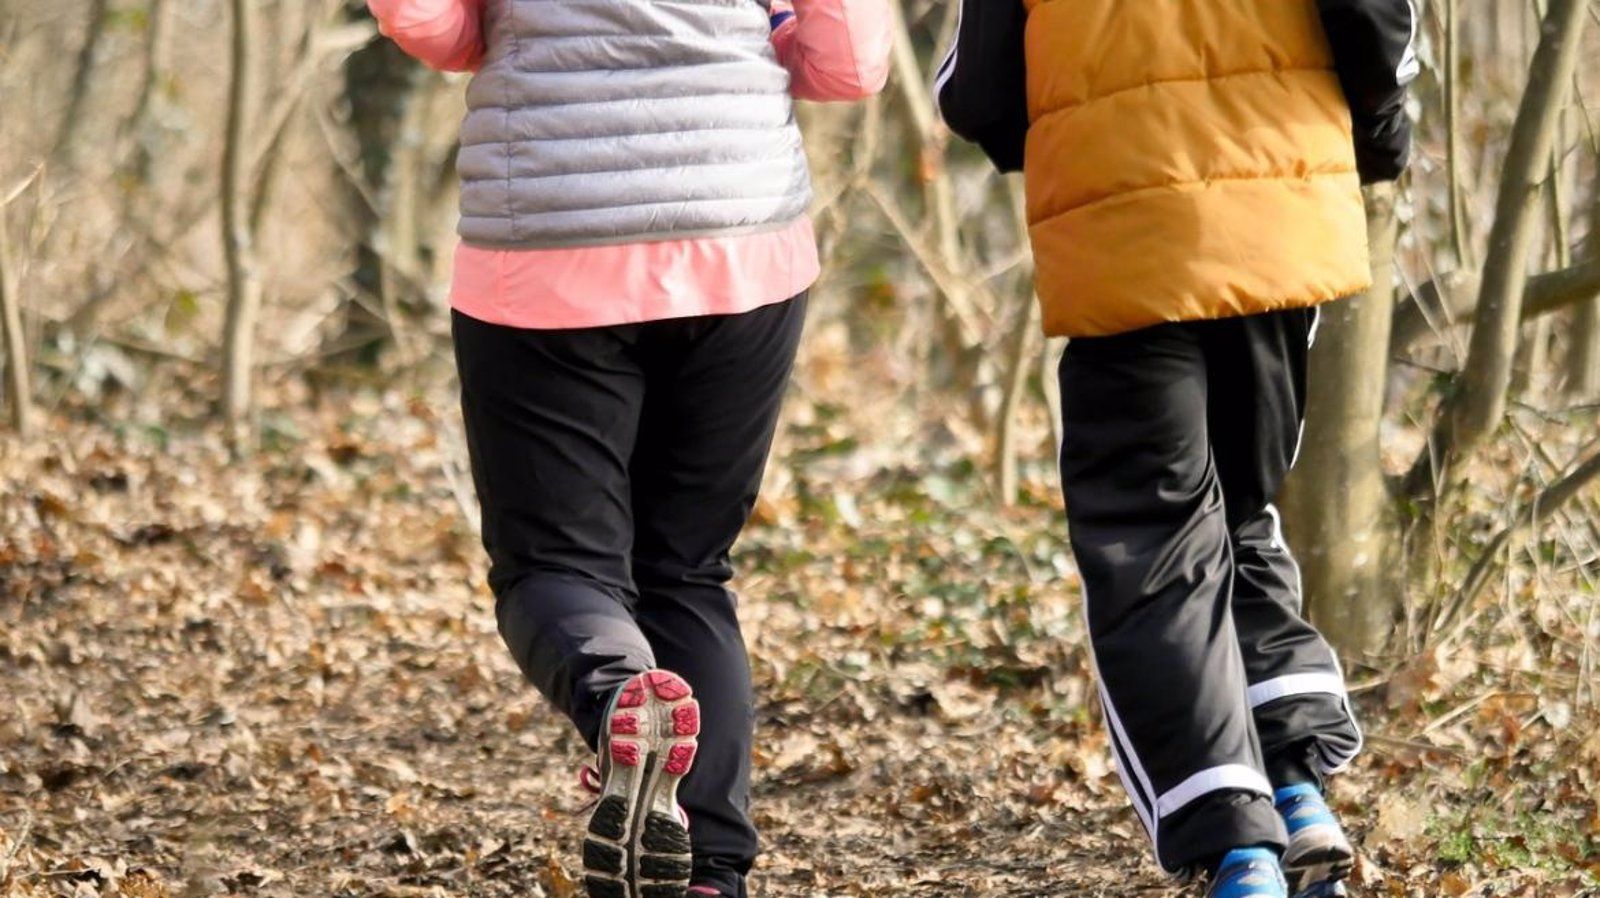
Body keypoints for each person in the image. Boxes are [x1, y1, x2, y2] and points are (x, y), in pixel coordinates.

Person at [365, 0, 892, 894]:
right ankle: (712, 871)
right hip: (738, 224)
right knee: (687, 565)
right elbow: (849, 61)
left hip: (548, 238)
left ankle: (620, 695)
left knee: (553, 566)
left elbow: (430, 24)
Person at [937, 1, 1416, 896]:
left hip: (1124, 233)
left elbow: (975, 90)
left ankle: (1240, 849)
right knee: (1240, 514)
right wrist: (1376, 137)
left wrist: (1061, 132)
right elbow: (1376, 19)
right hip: (1279, 217)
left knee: (1153, 546)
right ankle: (1297, 787)